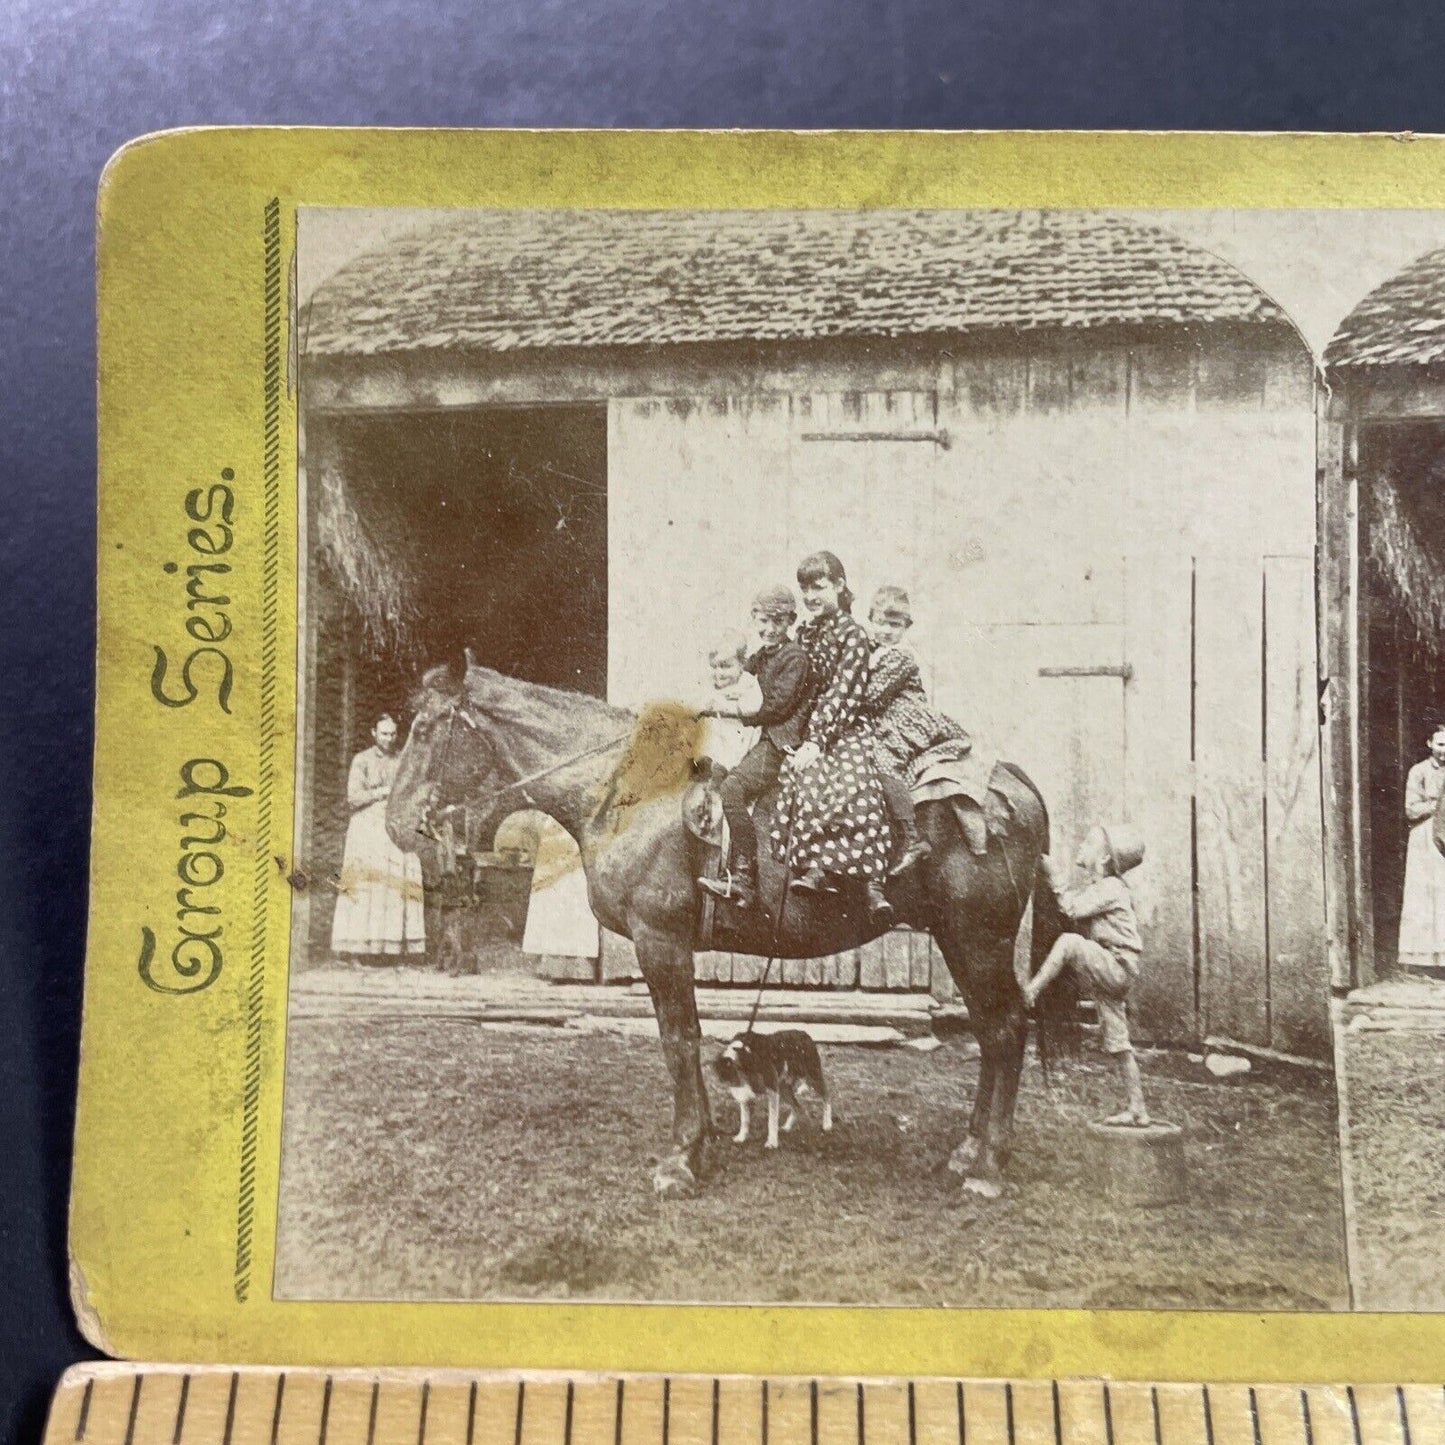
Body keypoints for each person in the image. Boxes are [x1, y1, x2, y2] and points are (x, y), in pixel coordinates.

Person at [774, 551, 893, 922]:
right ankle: (812, 866)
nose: (810, 596)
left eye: (819, 587)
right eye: (805, 588)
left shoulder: (853, 634)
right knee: (792, 774)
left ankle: (868, 880)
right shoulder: (805, 633)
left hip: (844, 723)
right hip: (805, 723)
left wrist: (817, 740)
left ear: (840, 586)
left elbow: (845, 691)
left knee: (855, 781)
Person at [1023, 824, 1148, 1124]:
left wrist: (1055, 876)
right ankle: (1138, 1108)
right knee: (1119, 1044)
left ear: (1104, 859)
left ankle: (1030, 992)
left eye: (1089, 842)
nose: (1081, 845)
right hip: (1113, 969)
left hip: (1116, 965)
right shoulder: (1104, 889)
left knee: (1069, 943)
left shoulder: (1111, 888)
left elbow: (1070, 908)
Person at [697, 586, 812, 912]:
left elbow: (776, 708)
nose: (770, 629)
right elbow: (733, 677)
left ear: (790, 620)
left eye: (778, 621)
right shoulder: (761, 655)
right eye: (763, 622)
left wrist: (725, 710)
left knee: (733, 788)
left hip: (775, 743)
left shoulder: (794, 658)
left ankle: (744, 877)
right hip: (749, 739)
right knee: (696, 770)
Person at [860, 584, 970, 877]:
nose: (886, 630)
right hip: (882, 716)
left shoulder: (900, 656)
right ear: (871, 619)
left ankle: (911, 836)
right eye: (881, 622)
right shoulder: (873, 651)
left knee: (883, 760)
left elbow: (873, 696)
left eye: (894, 625)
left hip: (904, 716)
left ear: (906, 627)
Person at [331, 713, 426, 963]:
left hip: (394, 826)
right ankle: (359, 948)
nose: (389, 739)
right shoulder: (361, 760)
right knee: (368, 885)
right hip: (367, 830)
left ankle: (393, 949)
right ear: (373, 733)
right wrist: (385, 792)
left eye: (393, 734)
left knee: (395, 885)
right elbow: (353, 798)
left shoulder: (404, 760)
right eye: (384, 733)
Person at [1400, 725, 1445, 969]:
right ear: (1429, 743)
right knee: (1426, 895)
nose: (1444, 751)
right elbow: (1411, 809)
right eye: (1440, 744)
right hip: (1425, 837)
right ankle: (1423, 959)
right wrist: (1439, 804)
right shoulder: (1418, 772)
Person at [696, 629, 764, 774]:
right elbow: (701, 703)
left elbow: (754, 706)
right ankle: (705, 764)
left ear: (742, 664)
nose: (719, 673)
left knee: (729, 749)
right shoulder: (710, 682)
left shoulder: (747, 681)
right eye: (715, 667)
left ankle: (721, 769)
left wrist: (729, 708)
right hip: (716, 726)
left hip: (737, 728)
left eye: (726, 667)